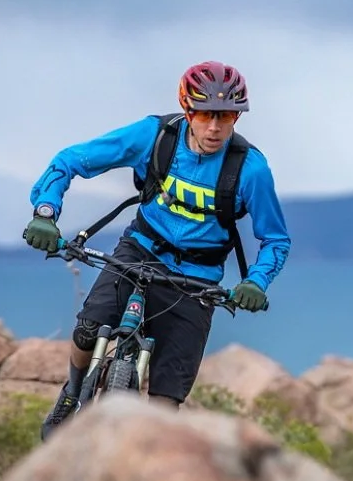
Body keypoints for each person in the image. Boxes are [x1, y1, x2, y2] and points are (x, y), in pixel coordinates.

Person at [22, 61, 291, 439]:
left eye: (227, 117)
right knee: (87, 329)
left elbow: (276, 239)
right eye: (205, 114)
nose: (215, 127)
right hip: (140, 249)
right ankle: (71, 394)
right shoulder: (155, 136)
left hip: (197, 276)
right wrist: (46, 212)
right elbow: (70, 160)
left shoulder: (251, 171)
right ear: (187, 110)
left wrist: (256, 283)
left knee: (165, 404)